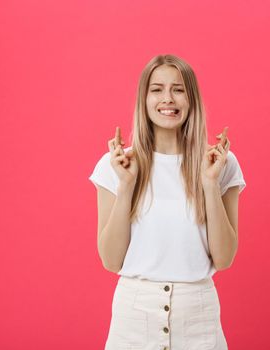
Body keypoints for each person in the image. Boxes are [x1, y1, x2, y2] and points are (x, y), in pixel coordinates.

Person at [89, 54, 246, 350]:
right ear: (144, 99)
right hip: (133, 320)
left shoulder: (220, 163)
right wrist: (126, 186)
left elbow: (224, 258)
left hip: (198, 318)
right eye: (157, 89)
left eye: (178, 89)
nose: (167, 99)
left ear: (191, 98)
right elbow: (111, 261)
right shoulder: (118, 164)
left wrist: (210, 183)